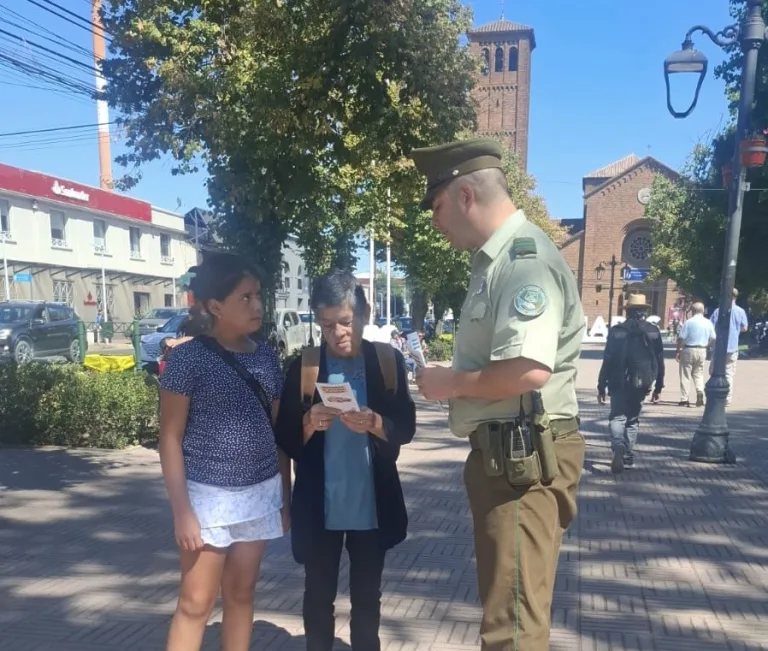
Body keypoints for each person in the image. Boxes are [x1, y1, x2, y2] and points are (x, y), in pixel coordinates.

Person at [409, 139, 586, 651]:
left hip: (521, 461)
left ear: (466, 195)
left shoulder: (522, 261)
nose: (435, 222)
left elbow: (528, 369)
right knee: (509, 611)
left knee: (511, 627)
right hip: (510, 457)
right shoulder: (498, 262)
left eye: (437, 206)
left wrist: (450, 384)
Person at [275, 269, 416, 651]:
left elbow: (405, 425)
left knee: (367, 600)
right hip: (321, 507)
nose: (336, 333)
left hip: (371, 507)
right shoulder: (304, 367)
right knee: (318, 598)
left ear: (364, 314)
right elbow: (284, 434)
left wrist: (377, 422)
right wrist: (307, 423)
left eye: (344, 322)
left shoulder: (387, 362)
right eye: (325, 325)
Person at [158, 253, 291, 651]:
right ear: (215, 306)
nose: (257, 305)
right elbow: (169, 439)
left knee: (242, 594)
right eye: (245, 298)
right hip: (207, 499)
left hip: (260, 494)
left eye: (259, 295)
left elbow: (277, 434)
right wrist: (182, 511)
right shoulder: (186, 359)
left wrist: (284, 497)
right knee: (195, 602)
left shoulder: (267, 357)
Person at [597, 293, 665, 473]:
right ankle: (627, 454)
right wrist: (658, 386)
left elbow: (607, 359)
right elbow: (659, 361)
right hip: (641, 381)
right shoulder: (652, 331)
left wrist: (601, 385)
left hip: (617, 380)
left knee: (617, 416)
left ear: (627, 311)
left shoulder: (617, 331)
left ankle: (618, 444)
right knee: (633, 419)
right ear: (644, 310)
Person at [709, 287, 749, 406]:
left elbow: (711, 326)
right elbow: (745, 327)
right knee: (729, 373)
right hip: (733, 347)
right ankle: (727, 398)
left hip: (719, 347)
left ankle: (713, 394)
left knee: (714, 371)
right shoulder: (740, 311)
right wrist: (736, 330)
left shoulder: (718, 311)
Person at [676, 301, 715, 407]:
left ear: (692, 311)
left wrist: (678, 350)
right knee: (698, 373)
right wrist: (707, 345)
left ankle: (684, 398)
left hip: (689, 349)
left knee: (685, 374)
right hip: (702, 350)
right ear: (703, 310)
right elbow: (713, 337)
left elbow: (681, 338)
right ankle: (699, 391)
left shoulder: (689, 322)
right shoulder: (708, 322)